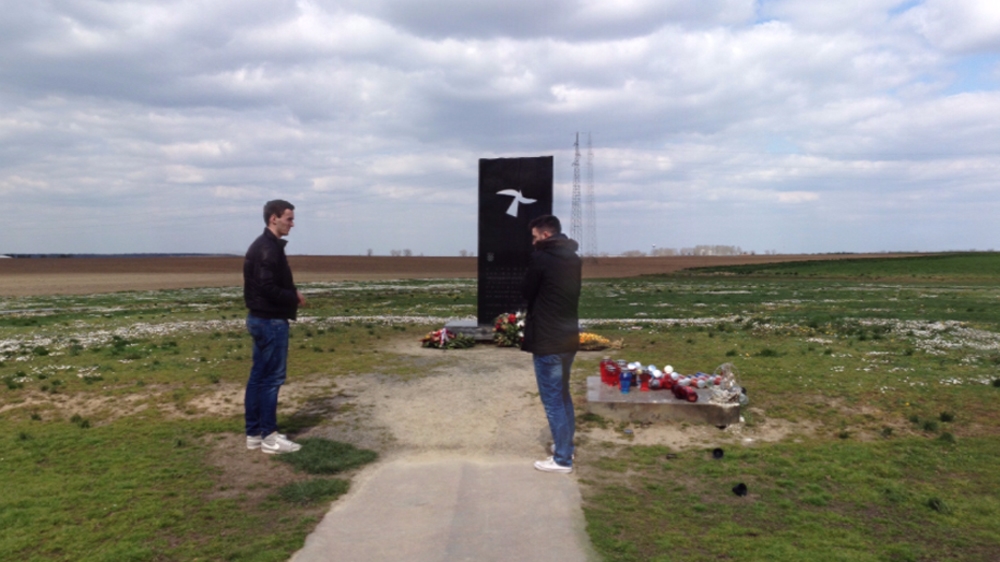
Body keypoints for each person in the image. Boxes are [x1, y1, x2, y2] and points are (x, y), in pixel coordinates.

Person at [243, 199, 307, 455]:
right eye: (289, 218)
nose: (292, 223)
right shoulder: (267, 248)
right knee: (272, 379)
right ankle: (269, 437)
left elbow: (269, 283)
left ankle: (255, 434)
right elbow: (266, 287)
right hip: (270, 321)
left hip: (260, 318)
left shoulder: (266, 246)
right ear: (274, 218)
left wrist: (293, 291)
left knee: (258, 377)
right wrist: (292, 297)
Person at [521, 215, 582, 473]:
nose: (533, 242)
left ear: (545, 235)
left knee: (552, 400)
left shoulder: (541, 259)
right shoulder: (574, 259)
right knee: (563, 396)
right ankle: (565, 447)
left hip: (547, 339)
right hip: (568, 337)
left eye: (535, 237)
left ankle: (562, 460)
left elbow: (527, 291)